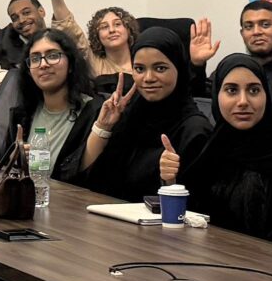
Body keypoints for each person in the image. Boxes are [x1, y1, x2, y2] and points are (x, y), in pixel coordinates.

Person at [160, 53, 272, 254]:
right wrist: (170, 182)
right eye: (232, 90)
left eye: (253, 90)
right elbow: (192, 217)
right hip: (214, 260)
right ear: (217, 96)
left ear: (266, 95)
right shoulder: (214, 147)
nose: (243, 101)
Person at [80, 27, 212, 199]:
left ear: (179, 69)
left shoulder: (195, 130)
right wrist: (103, 127)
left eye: (160, 68)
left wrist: (170, 182)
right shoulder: (129, 115)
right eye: (140, 69)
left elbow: (197, 205)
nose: (148, 78)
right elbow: (85, 178)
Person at [7, 28, 101, 182]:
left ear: (71, 64)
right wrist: (16, 160)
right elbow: (7, 168)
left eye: (52, 56)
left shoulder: (93, 112)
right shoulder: (22, 115)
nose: (43, 64)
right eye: (35, 58)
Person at [84, 6, 139, 96]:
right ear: (97, 36)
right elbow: (69, 27)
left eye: (117, 24)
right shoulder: (94, 61)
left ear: (128, 29)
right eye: (104, 27)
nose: (112, 30)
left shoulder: (143, 60)